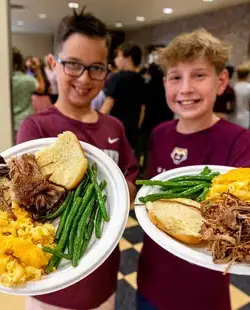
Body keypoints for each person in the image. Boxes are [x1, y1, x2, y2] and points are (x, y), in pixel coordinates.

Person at [17, 7, 138, 310]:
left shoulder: (114, 127)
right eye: (73, 65)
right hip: (49, 280)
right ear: (52, 63)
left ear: (107, 71)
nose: (85, 78)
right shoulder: (37, 128)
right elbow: (23, 201)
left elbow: (131, 178)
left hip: (102, 276)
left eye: (96, 68)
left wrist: (126, 190)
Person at [136, 29, 250, 310]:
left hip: (204, 292)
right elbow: (152, 199)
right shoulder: (159, 133)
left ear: (221, 81)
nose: (185, 88)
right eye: (176, 77)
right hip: (151, 278)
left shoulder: (239, 140)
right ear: (164, 83)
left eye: (199, 75)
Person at [100, 42, 146, 149]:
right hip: (133, 129)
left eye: (118, 56)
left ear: (127, 58)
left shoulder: (117, 78)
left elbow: (107, 105)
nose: (115, 59)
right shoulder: (142, 80)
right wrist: (137, 127)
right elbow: (143, 109)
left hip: (115, 129)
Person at [12, 48, 39, 136]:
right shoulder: (27, 79)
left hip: (10, 122)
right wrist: (38, 69)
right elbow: (41, 88)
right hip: (25, 121)